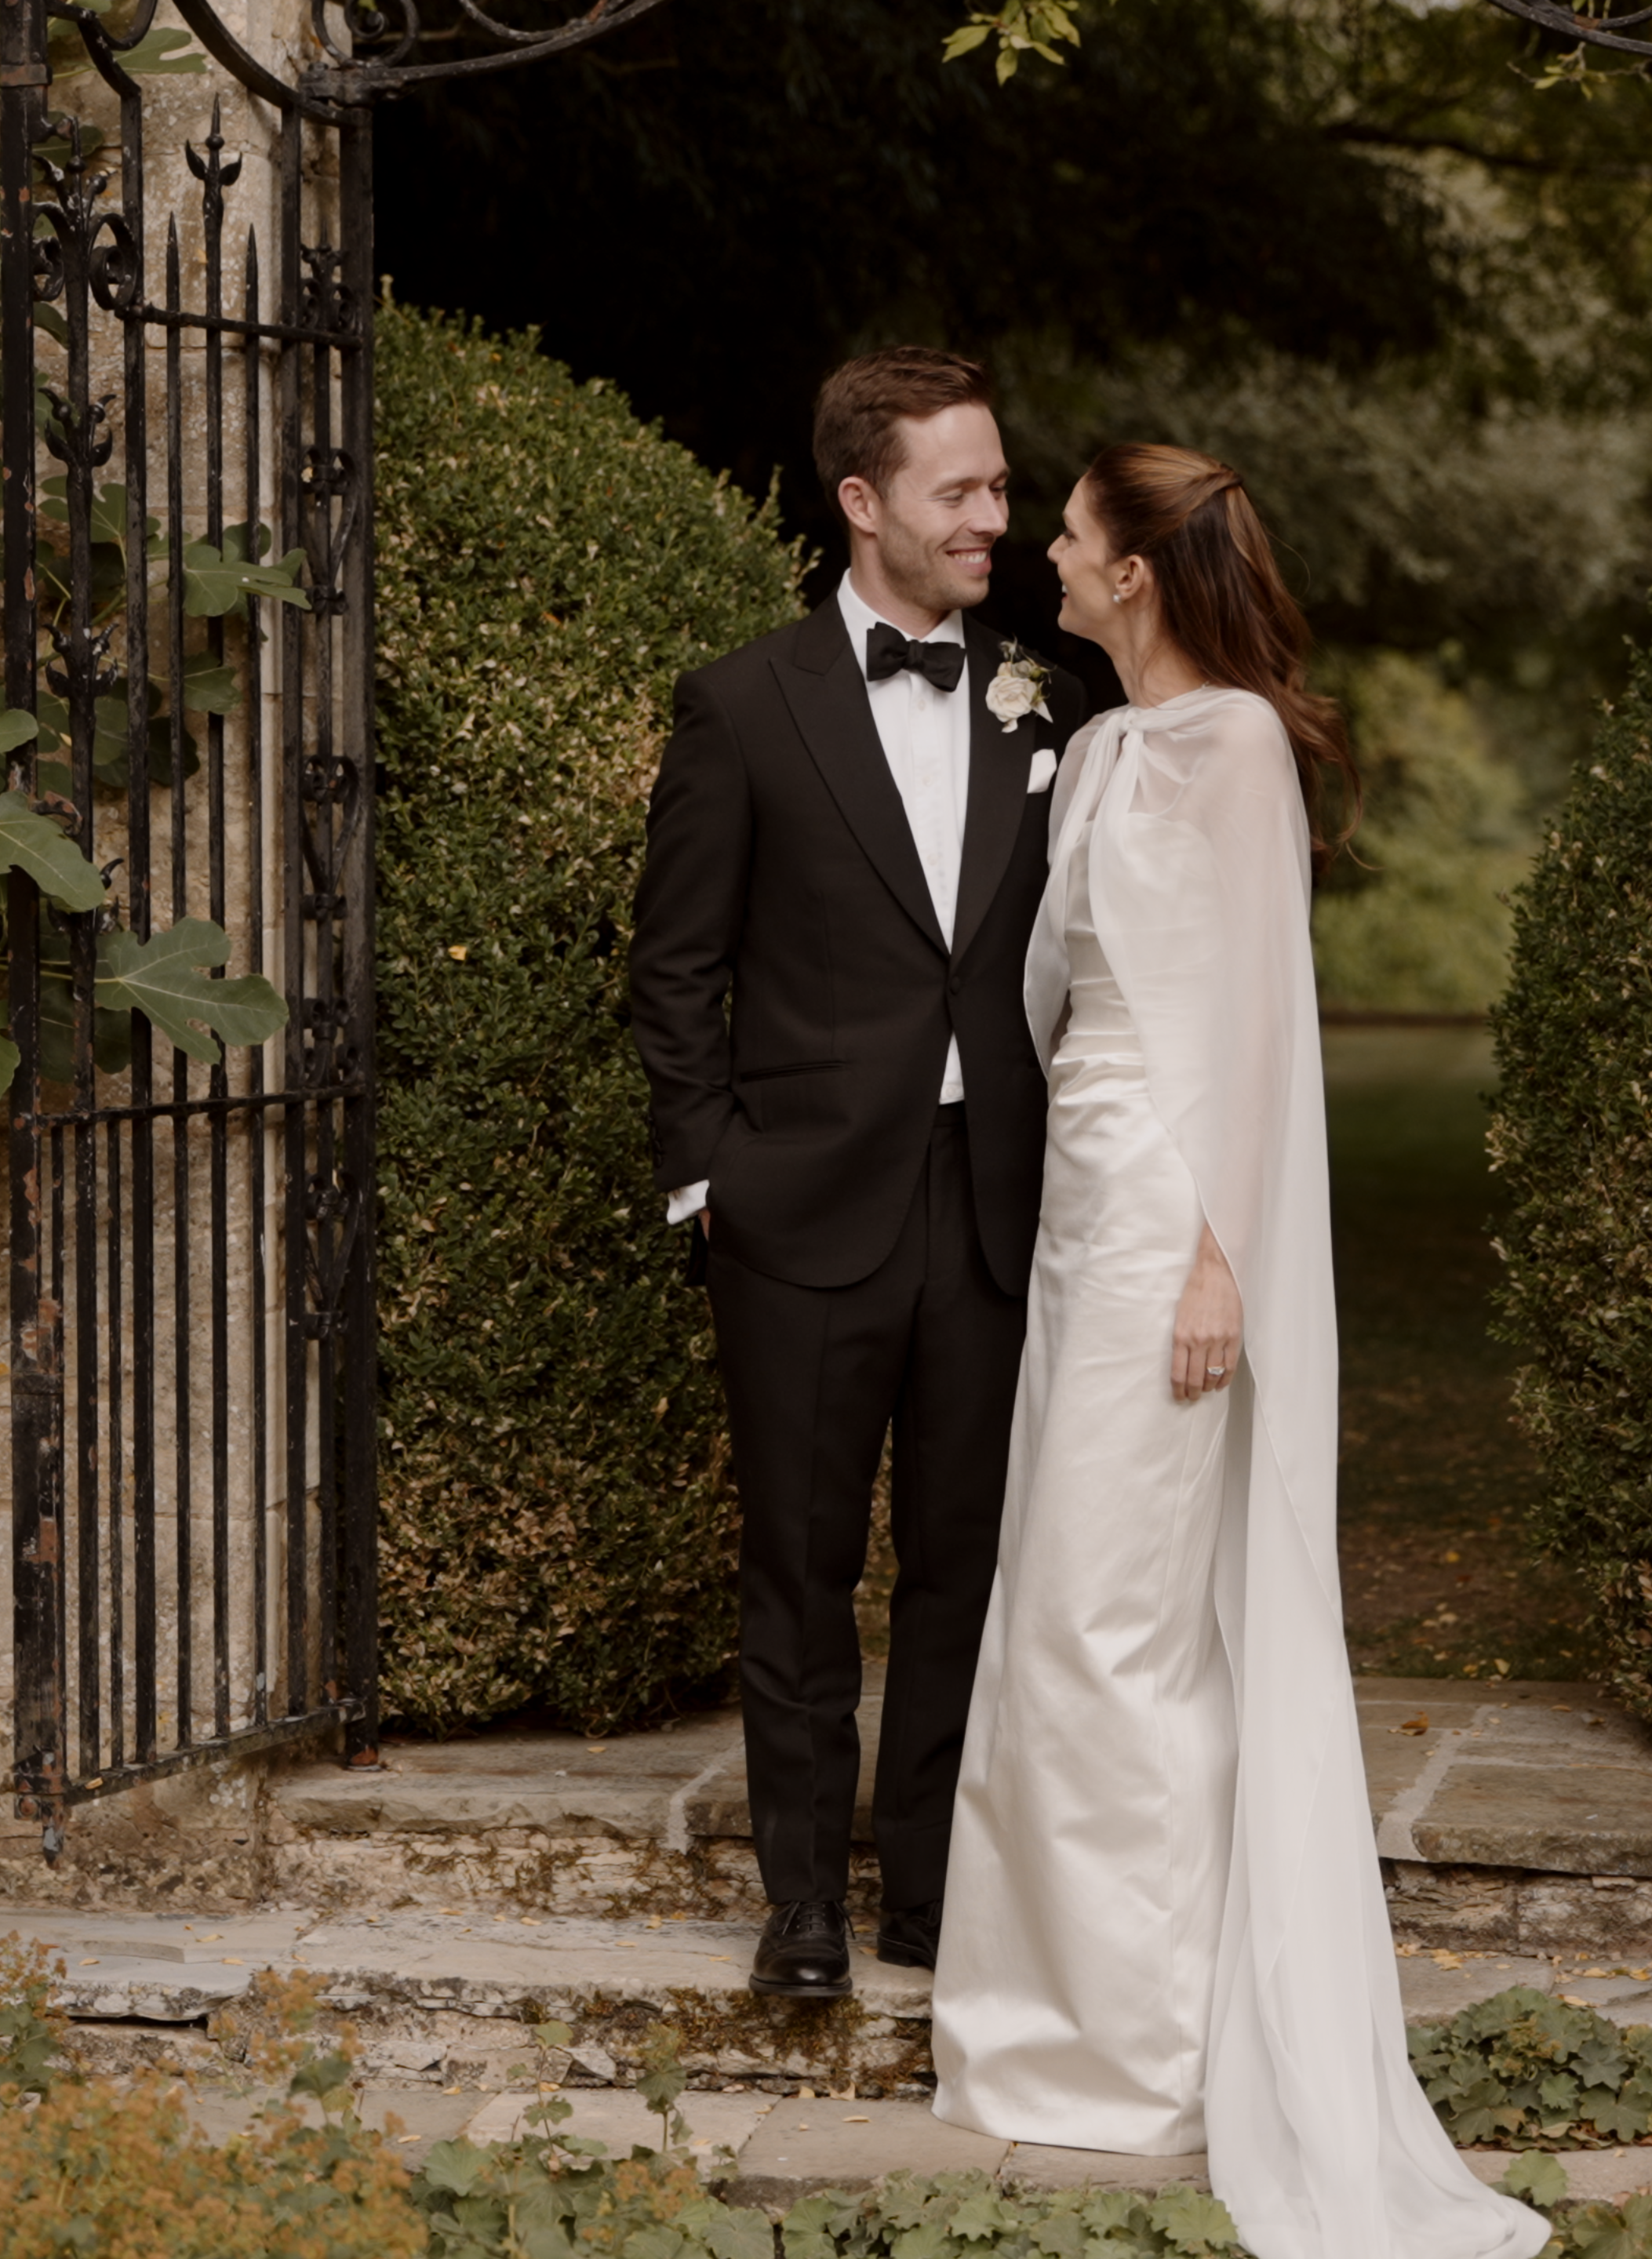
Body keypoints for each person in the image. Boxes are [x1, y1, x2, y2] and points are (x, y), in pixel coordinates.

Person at [930, 444, 1548, 2259]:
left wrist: (1224, 1262)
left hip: (1168, 1220)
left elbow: (1264, 1028)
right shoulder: (1101, 744)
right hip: (1080, 1210)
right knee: (1060, 1608)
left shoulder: (1236, 750)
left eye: (1070, 533)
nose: (1043, 551)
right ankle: (1054, 2024)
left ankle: (1139, 2051)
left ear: (1133, 572)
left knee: (1115, 1621)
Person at [628, 348, 1090, 2003]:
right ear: (860, 501)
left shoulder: (1054, 699)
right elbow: (674, 968)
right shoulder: (743, 705)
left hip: (993, 1205)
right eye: (958, 491)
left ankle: (931, 1893)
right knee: (801, 1568)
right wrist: (711, 1179)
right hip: (800, 1211)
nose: (993, 519)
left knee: (965, 1566)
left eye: (999, 486)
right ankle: (805, 1902)